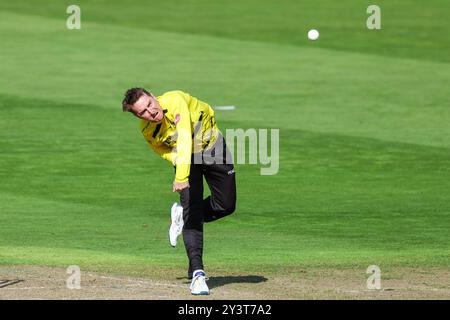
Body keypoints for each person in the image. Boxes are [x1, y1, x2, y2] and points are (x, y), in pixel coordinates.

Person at [122, 88, 236, 295]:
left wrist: (180, 177)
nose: (151, 112)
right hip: (187, 160)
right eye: (143, 112)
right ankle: (198, 275)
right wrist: (173, 160)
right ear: (139, 116)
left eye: (150, 104)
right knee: (192, 214)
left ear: (154, 97)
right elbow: (161, 148)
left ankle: (180, 214)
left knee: (226, 205)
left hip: (213, 148)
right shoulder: (147, 130)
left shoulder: (175, 100)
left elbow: (185, 137)